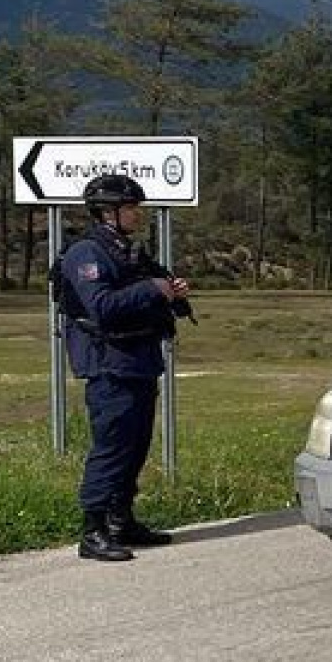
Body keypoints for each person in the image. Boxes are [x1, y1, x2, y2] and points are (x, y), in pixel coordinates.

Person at [57, 174, 191, 561]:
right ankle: (93, 530)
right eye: (132, 207)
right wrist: (153, 289)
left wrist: (170, 288)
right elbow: (101, 305)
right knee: (112, 447)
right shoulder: (86, 253)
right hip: (109, 364)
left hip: (138, 360)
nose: (138, 214)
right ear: (108, 212)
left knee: (136, 446)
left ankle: (121, 520)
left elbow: (148, 287)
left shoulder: (125, 250)